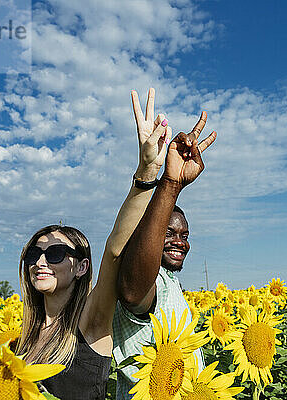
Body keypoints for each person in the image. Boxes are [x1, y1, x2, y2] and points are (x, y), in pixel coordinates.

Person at [15, 88, 171, 400]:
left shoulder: (90, 320)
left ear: (81, 266)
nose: (40, 261)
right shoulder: (19, 341)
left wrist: (147, 173)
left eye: (56, 253)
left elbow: (115, 250)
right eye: (35, 253)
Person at [113, 112, 217, 400]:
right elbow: (134, 294)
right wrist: (170, 183)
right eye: (168, 233)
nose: (179, 242)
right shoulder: (148, 280)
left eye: (184, 236)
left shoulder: (170, 282)